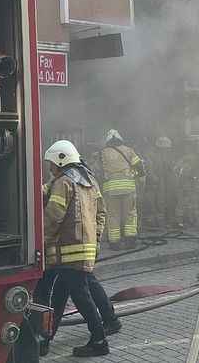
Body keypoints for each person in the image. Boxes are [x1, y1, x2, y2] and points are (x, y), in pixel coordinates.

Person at [35, 140, 120, 357]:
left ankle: (99, 340)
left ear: (61, 160)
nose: (50, 168)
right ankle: (46, 338)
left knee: (79, 295)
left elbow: (54, 216)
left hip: (66, 250)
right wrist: (96, 239)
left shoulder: (64, 182)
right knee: (63, 294)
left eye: (52, 164)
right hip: (84, 248)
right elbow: (101, 213)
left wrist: (39, 242)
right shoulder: (89, 180)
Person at [100, 129, 144, 250]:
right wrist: (139, 178)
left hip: (111, 190)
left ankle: (115, 243)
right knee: (130, 214)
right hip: (128, 188)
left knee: (113, 216)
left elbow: (98, 171)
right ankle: (130, 241)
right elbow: (139, 166)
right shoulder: (129, 150)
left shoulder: (103, 153)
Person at [146, 136, 179, 228]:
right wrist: (154, 178)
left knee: (162, 202)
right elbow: (149, 169)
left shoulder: (166, 157)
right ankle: (152, 222)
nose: (167, 151)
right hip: (153, 184)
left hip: (162, 183)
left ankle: (161, 222)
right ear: (160, 148)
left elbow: (170, 170)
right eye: (165, 149)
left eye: (168, 149)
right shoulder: (152, 156)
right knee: (152, 203)